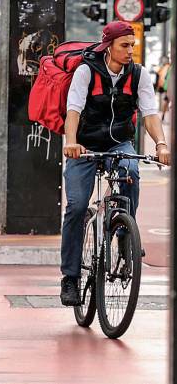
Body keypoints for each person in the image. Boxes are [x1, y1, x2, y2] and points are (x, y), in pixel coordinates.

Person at [60, 21, 171, 306]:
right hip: (84, 145)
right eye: (124, 46)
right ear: (108, 47)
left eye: (132, 46)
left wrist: (161, 144)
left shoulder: (139, 75)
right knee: (75, 206)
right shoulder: (87, 71)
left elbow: (149, 114)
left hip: (118, 143)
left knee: (132, 171)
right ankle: (70, 278)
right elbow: (73, 109)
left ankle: (124, 234)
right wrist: (71, 142)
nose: (130, 51)